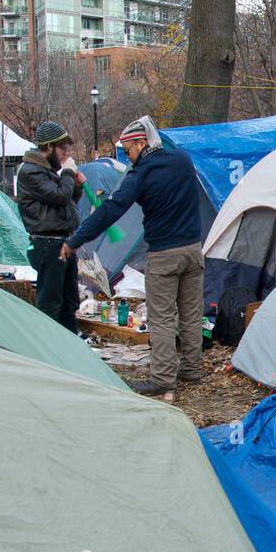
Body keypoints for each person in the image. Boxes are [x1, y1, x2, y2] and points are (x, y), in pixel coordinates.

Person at [62, 116, 204, 398]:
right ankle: (192, 368)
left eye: (128, 151)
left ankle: (163, 378)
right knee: (191, 314)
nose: (128, 158)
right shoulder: (182, 160)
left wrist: (76, 239)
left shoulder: (142, 172)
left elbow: (111, 210)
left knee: (162, 317)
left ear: (141, 142)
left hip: (164, 253)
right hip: (193, 250)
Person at [17, 121, 88, 333]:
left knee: (69, 303)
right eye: (62, 148)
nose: (66, 153)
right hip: (48, 244)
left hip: (64, 243)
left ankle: (70, 348)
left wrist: (76, 188)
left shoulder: (48, 172)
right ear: (48, 147)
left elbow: (67, 202)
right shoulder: (31, 172)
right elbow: (58, 196)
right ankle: (49, 350)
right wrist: (67, 174)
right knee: (50, 304)